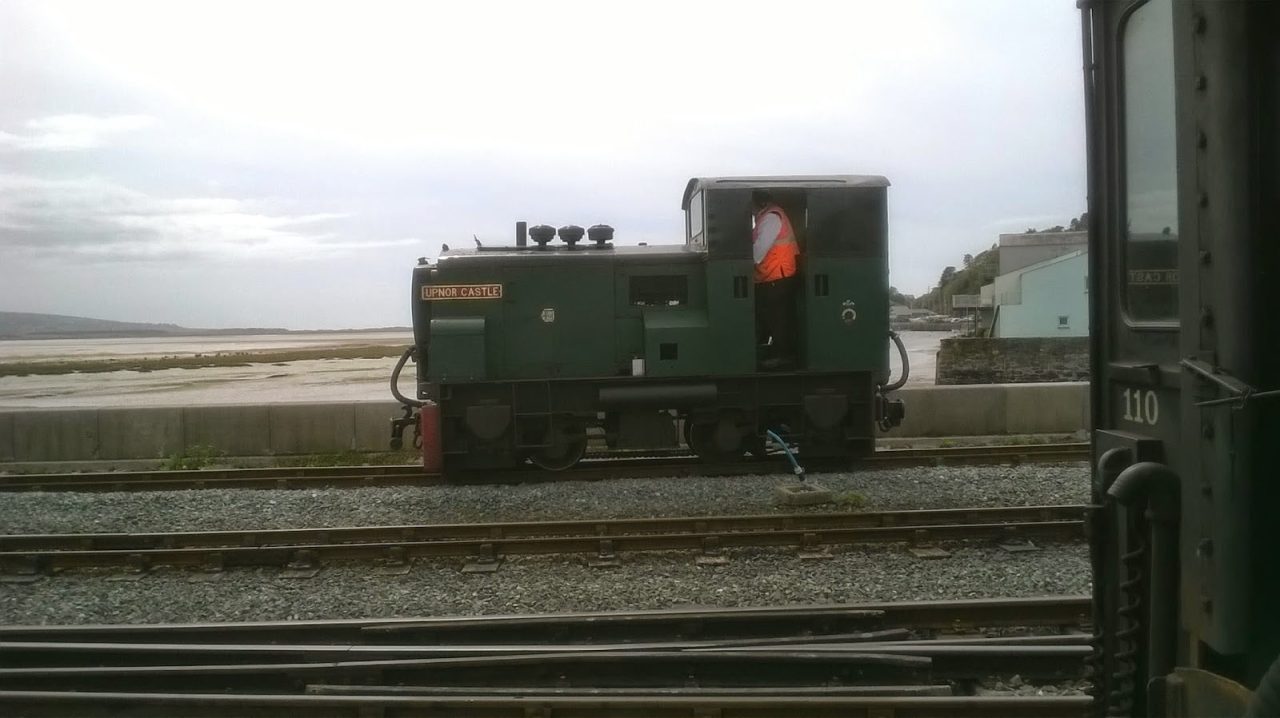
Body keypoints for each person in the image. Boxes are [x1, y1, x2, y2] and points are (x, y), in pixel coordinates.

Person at [751, 190, 799, 369]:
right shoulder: (764, 219)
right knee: (769, 316)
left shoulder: (771, 218)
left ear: (759, 203)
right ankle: (771, 352)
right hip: (769, 276)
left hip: (778, 275)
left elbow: (757, 253)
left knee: (778, 318)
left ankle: (784, 356)